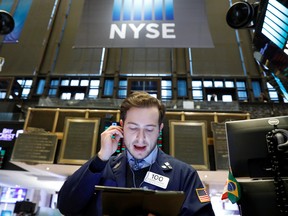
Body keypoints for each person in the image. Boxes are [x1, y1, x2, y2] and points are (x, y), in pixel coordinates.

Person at [57, 91, 215, 216]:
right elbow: (66, 206)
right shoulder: (101, 168)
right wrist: (101, 158)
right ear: (121, 127)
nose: (141, 138)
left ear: (159, 130)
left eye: (149, 129)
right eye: (133, 128)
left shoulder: (184, 175)